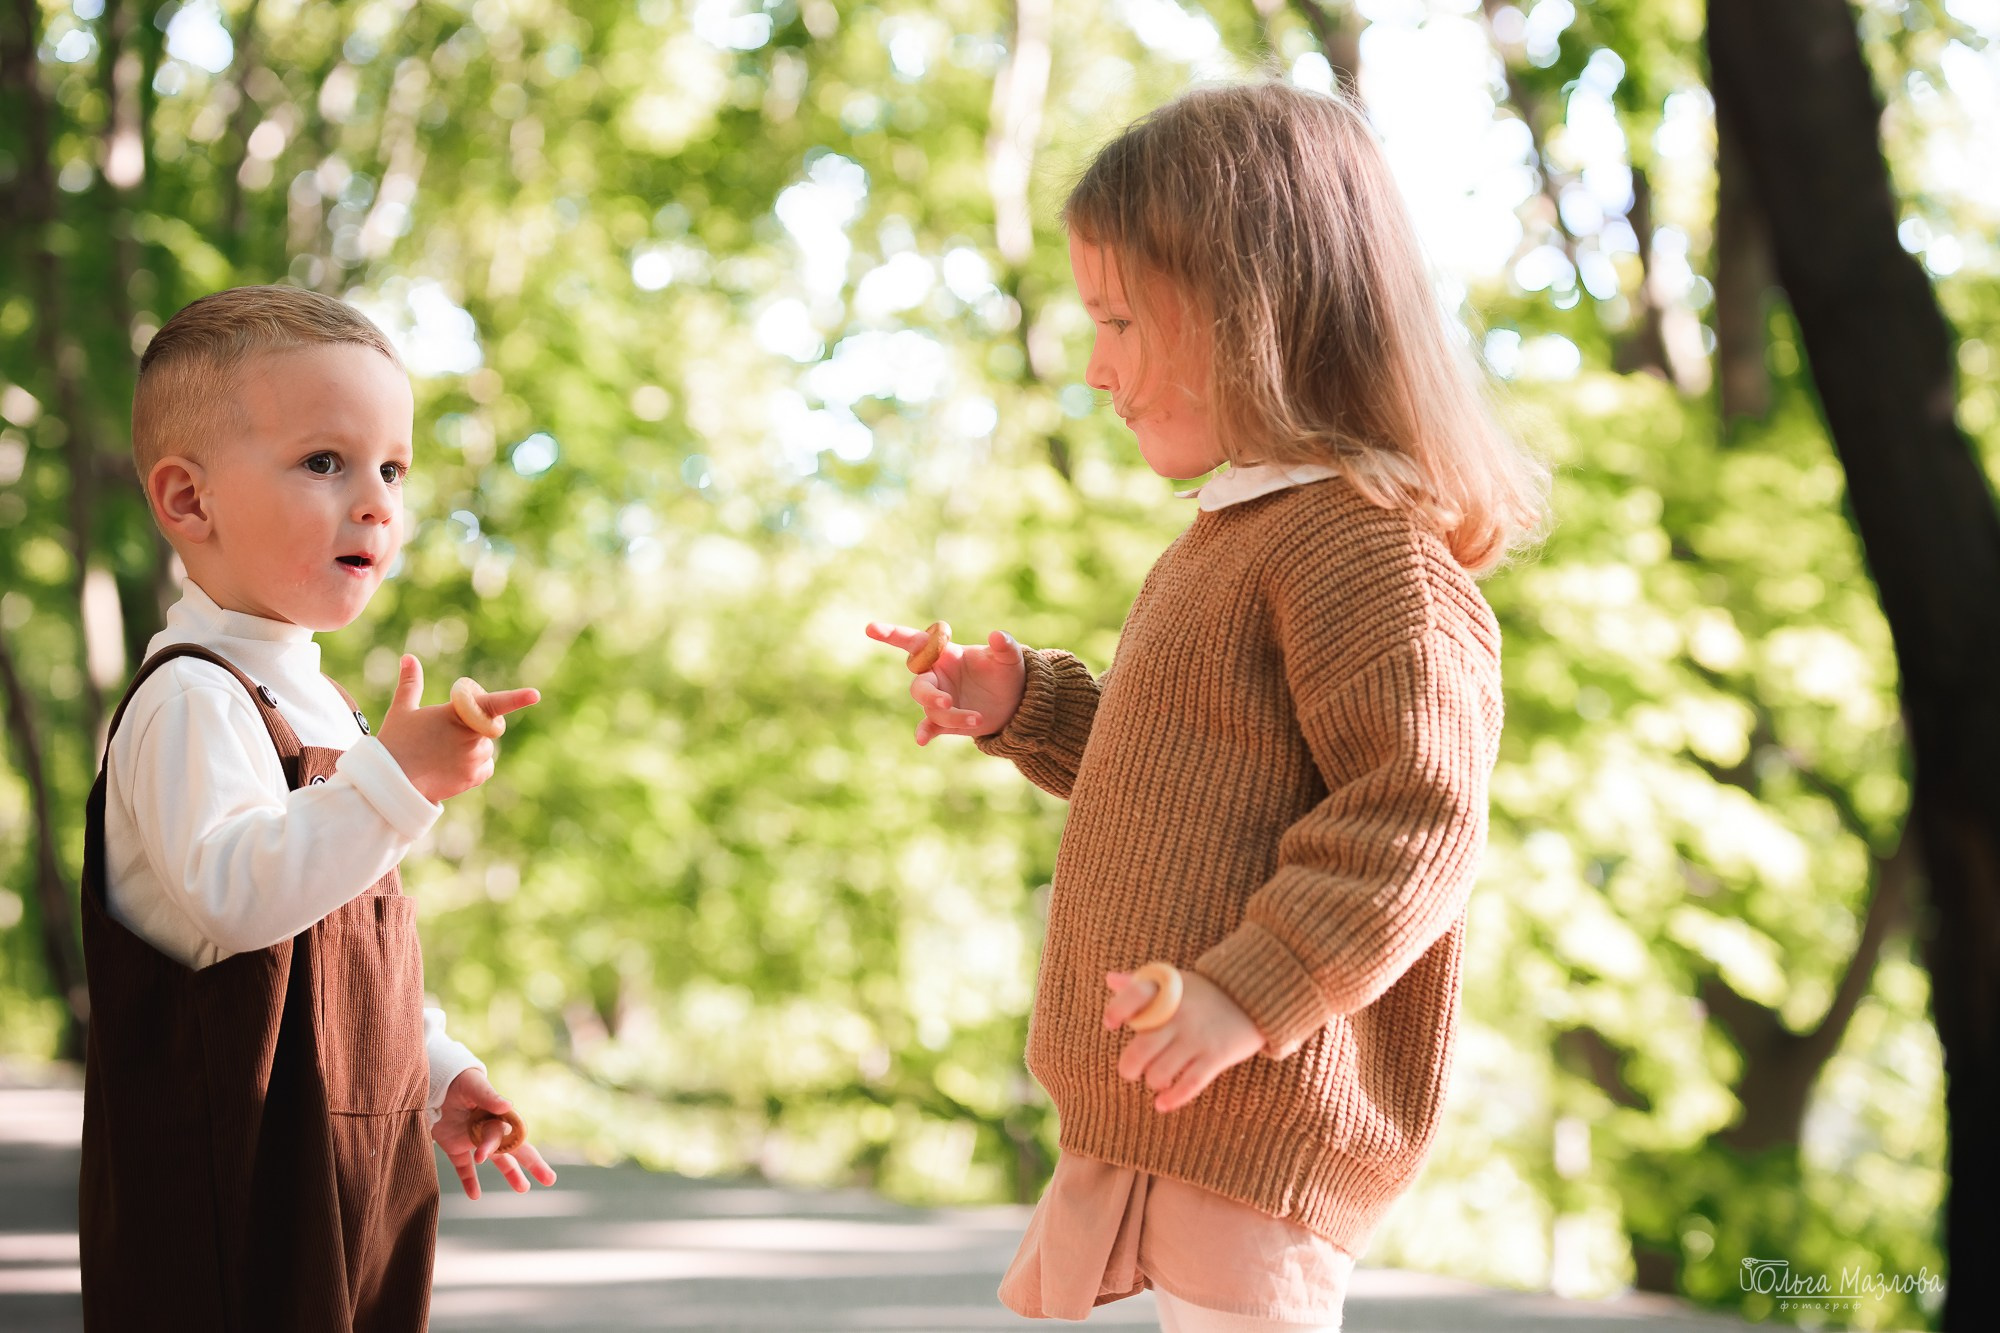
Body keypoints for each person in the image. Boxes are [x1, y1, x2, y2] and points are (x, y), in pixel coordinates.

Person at [868, 83, 1547, 1332]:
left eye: (1119, 320)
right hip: (1171, 1099)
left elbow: (1417, 817)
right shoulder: (1233, 538)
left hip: (1255, 1103)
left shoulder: (1362, 551)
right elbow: (1192, 779)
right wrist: (1030, 706)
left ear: (1251, 313)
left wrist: (1251, 989)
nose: (1096, 366)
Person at [79, 285, 557, 1332]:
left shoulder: (320, 700)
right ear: (189, 501)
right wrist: (396, 781)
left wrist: (432, 1068)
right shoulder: (192, 696)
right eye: (325, 462)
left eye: (393, 468)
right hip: (240, 1192)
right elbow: (238, 897)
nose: (377, 502)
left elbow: (341, 939)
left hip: (348, 1164)